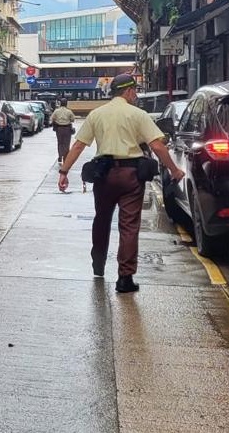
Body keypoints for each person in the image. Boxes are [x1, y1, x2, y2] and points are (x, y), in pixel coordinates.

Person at [58, 74, 185, 293]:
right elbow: (158, 146)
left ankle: (98, 264)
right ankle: (125, 278)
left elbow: (78, 146)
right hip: (131, 176)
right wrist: (174, 170)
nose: (135, 94)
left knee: (102, 219)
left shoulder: (96, 115)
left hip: (104, 175)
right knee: (129, 226)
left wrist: (64, 171)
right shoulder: (138, 115)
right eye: (134, 91)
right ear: (127, 91)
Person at [51, 98, 76, 164]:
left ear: (60, 104)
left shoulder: (56, 111)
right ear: (66, 104)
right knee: (66, 144)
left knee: (60, 143)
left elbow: (52, 118)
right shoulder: (69, 111)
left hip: (59, 129)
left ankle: (60, 156)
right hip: (67, 129)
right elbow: (73, 119)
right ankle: (65, 157)